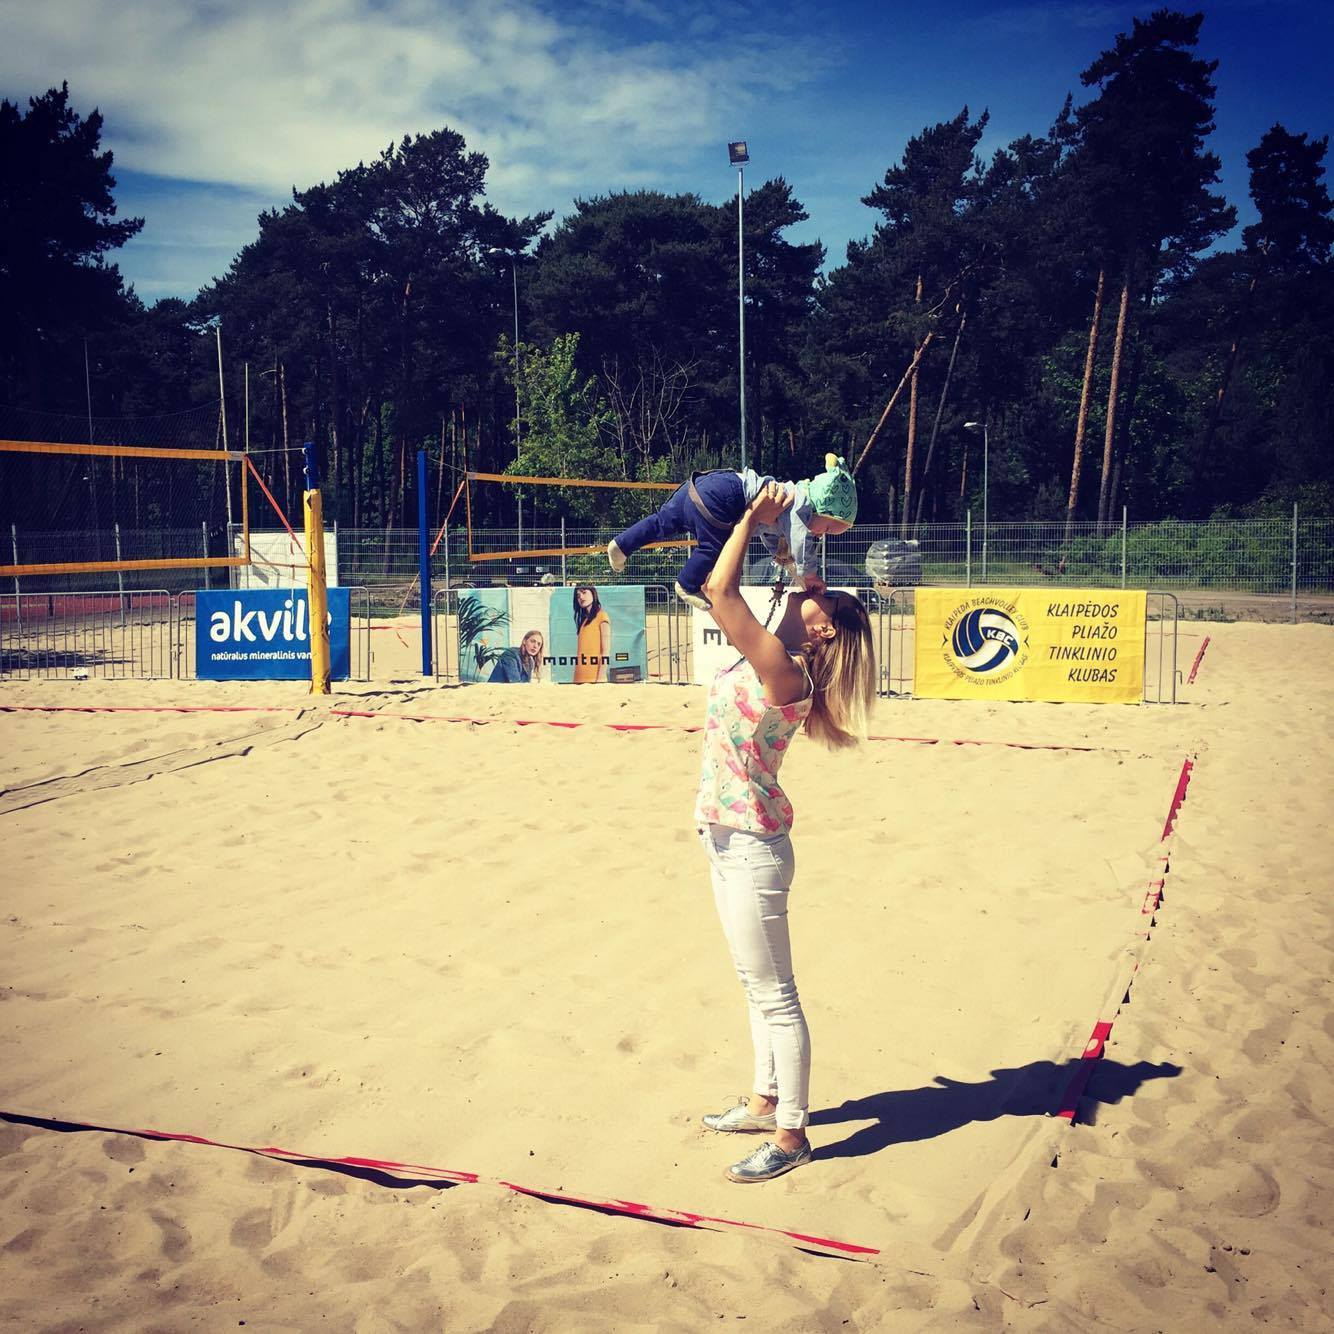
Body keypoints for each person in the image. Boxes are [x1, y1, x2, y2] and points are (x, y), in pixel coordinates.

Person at [695, 481, 876, 1183]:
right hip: (726, 835)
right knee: (754, 983)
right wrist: (790, 544)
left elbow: (719, 591)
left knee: (777, 994)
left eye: (824, 600)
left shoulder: (784, 672)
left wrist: (748, 516)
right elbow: (776, 581)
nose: (813, 592)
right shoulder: (776, 651)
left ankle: (792, 1135)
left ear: (824, 631)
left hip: (754, 849)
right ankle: (764, 1101)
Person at [607, 454, 858, 610]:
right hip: (723, 496)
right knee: (713, 546)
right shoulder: (800, 501)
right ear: (821, 507)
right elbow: (799, 537)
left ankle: (622, 545)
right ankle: (687, 584)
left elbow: (769, 533)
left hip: (699, 486)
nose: (821, 535)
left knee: (661, 523)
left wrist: (780, 555)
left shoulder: (786, 502)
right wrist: (809, 573)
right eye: (827, 528)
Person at [571, 585, 611, 684]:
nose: (581, 597)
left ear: (593, 593)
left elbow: (605, 651)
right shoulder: (584, 621)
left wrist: (601, 677)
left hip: (594, 678)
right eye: (578, 595)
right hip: (579, 677)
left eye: (584, 592)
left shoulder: (602, 616)